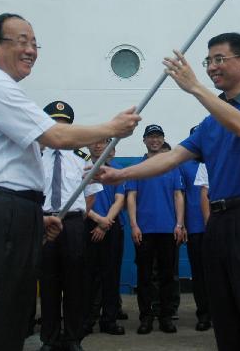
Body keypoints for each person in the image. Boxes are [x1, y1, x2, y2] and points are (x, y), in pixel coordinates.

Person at [0, 13, 140, 351]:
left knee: (10, 316)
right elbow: (55, 135)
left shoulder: (2, 89)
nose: (30, 50)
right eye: (21, 41)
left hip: (15, 212)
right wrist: (112, 128)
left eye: (34, 43)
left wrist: (34, 217)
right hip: (1, 213)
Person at [99, 32, 240, 350]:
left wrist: (195, 87)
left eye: (219, 59)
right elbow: (170, 158)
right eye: (208, 61)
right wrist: (121, 174)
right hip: (220, 222)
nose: (212, 67)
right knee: (224, 313)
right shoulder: (209, 124)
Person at [38, 100, 102, 351]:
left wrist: (79, 217)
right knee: (48, 282)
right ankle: (49, 338)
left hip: (73, 223)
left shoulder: (81, 155)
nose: (59, 127)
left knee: (75, 282)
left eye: (64, 123)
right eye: (54, 123)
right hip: (43, 222)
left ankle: (73, 338)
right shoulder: (36, 155)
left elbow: (92, 191)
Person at [126, 124, 184, 336]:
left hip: (168, 230)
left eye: (158, 136)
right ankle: (146, 317)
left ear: (163, 139)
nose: (155, 140)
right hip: (144, 230)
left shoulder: (171, 167)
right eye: (151, 136)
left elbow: (179, 196)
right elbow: (131, 197)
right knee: (145, 276)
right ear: (144, 140)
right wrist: (134, 225)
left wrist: (179, 224)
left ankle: (166, 316)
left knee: (168, 276)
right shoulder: (136, 167)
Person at [83, 138, 126, 336]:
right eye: (95, 142)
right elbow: (75, 198)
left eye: (103, 143)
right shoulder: (80, 167)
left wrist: (106, 221)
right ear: (88, 145)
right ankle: (87, 319)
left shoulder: (115, 171)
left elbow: (120, 199)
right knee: (88, 275)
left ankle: (109, 320)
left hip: (111, 224)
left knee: (111, 274)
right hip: (87, 223)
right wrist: (97, 219)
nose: (97, 145)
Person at [177, 145, 210, 332]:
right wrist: (182, 224)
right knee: (199, 274)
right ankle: (204, 314)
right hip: (196, 227)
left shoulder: (216, 160)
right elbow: (180, 194)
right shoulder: (184, 165)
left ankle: (221, 313)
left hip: (220, 226)